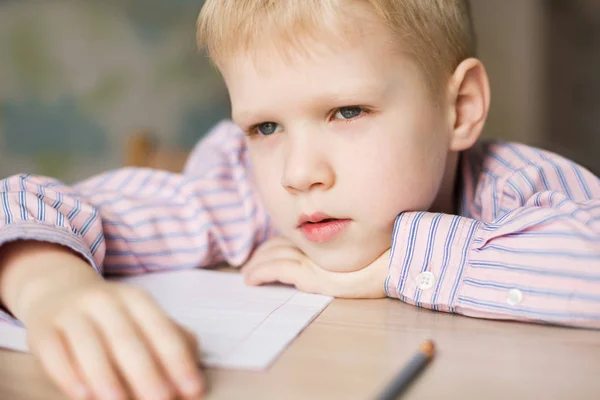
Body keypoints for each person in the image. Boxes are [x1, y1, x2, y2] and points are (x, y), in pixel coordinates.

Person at [1, 0, 599, 399]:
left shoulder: (520, 187)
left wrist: (392, 269)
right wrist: (52, 290)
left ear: (460, 107)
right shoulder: (239, 186)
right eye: (265, 127)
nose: (297, 173)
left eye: (346, 111)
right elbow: (28, 206)